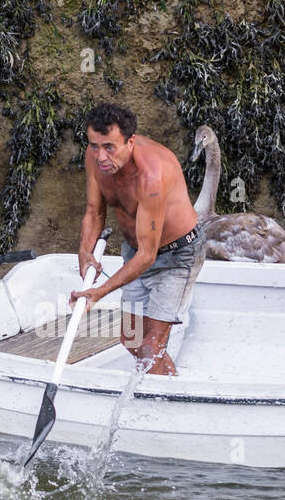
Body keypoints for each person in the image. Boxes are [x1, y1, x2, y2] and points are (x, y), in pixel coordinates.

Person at [69, 103, 206, 376]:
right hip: (134, 253)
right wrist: (85, 252)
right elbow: (95, 211)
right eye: (94, 146)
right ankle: (169, 385)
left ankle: (170, 406)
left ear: (130, 141)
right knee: (131, 340)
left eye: (109, 147)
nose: (101, 156)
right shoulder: (95, 157)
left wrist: (98, 292)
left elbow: (149, 254)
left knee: (149, 347)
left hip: (177, 257)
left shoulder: (151, 176)